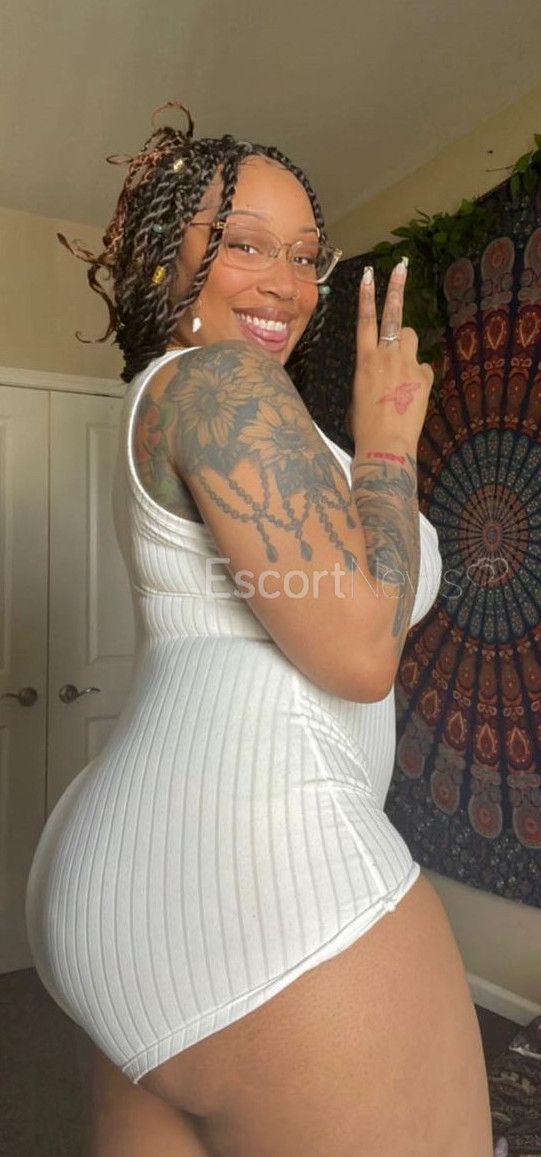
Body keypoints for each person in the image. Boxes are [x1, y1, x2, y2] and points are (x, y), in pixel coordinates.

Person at [26, 104, 494, 1157]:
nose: (286, 281)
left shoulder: (203, 402)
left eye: (304, 254)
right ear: (167, 262)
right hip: (264, 877)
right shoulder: (220, 383)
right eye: (243, 244)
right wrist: (389, 443)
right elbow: (361, 650)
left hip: (138, 877)